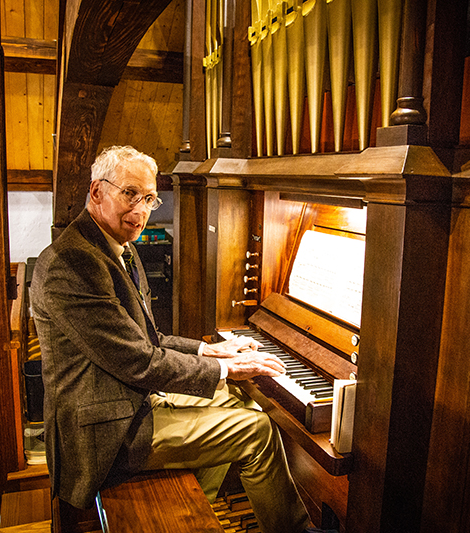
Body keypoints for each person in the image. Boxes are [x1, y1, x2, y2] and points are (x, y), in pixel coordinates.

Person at [31, 145, 325, 533]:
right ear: (96, 191)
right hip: (104, 432)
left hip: (127, 398)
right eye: (129, 194)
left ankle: (201, 506)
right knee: (257, 431)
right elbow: (137, 361)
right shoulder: (73, 262)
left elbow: (148, 338)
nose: (140, 210)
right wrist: (222, 368)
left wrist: (210, 350)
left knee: (239, 399)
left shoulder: (117, 248)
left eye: (149, 198)